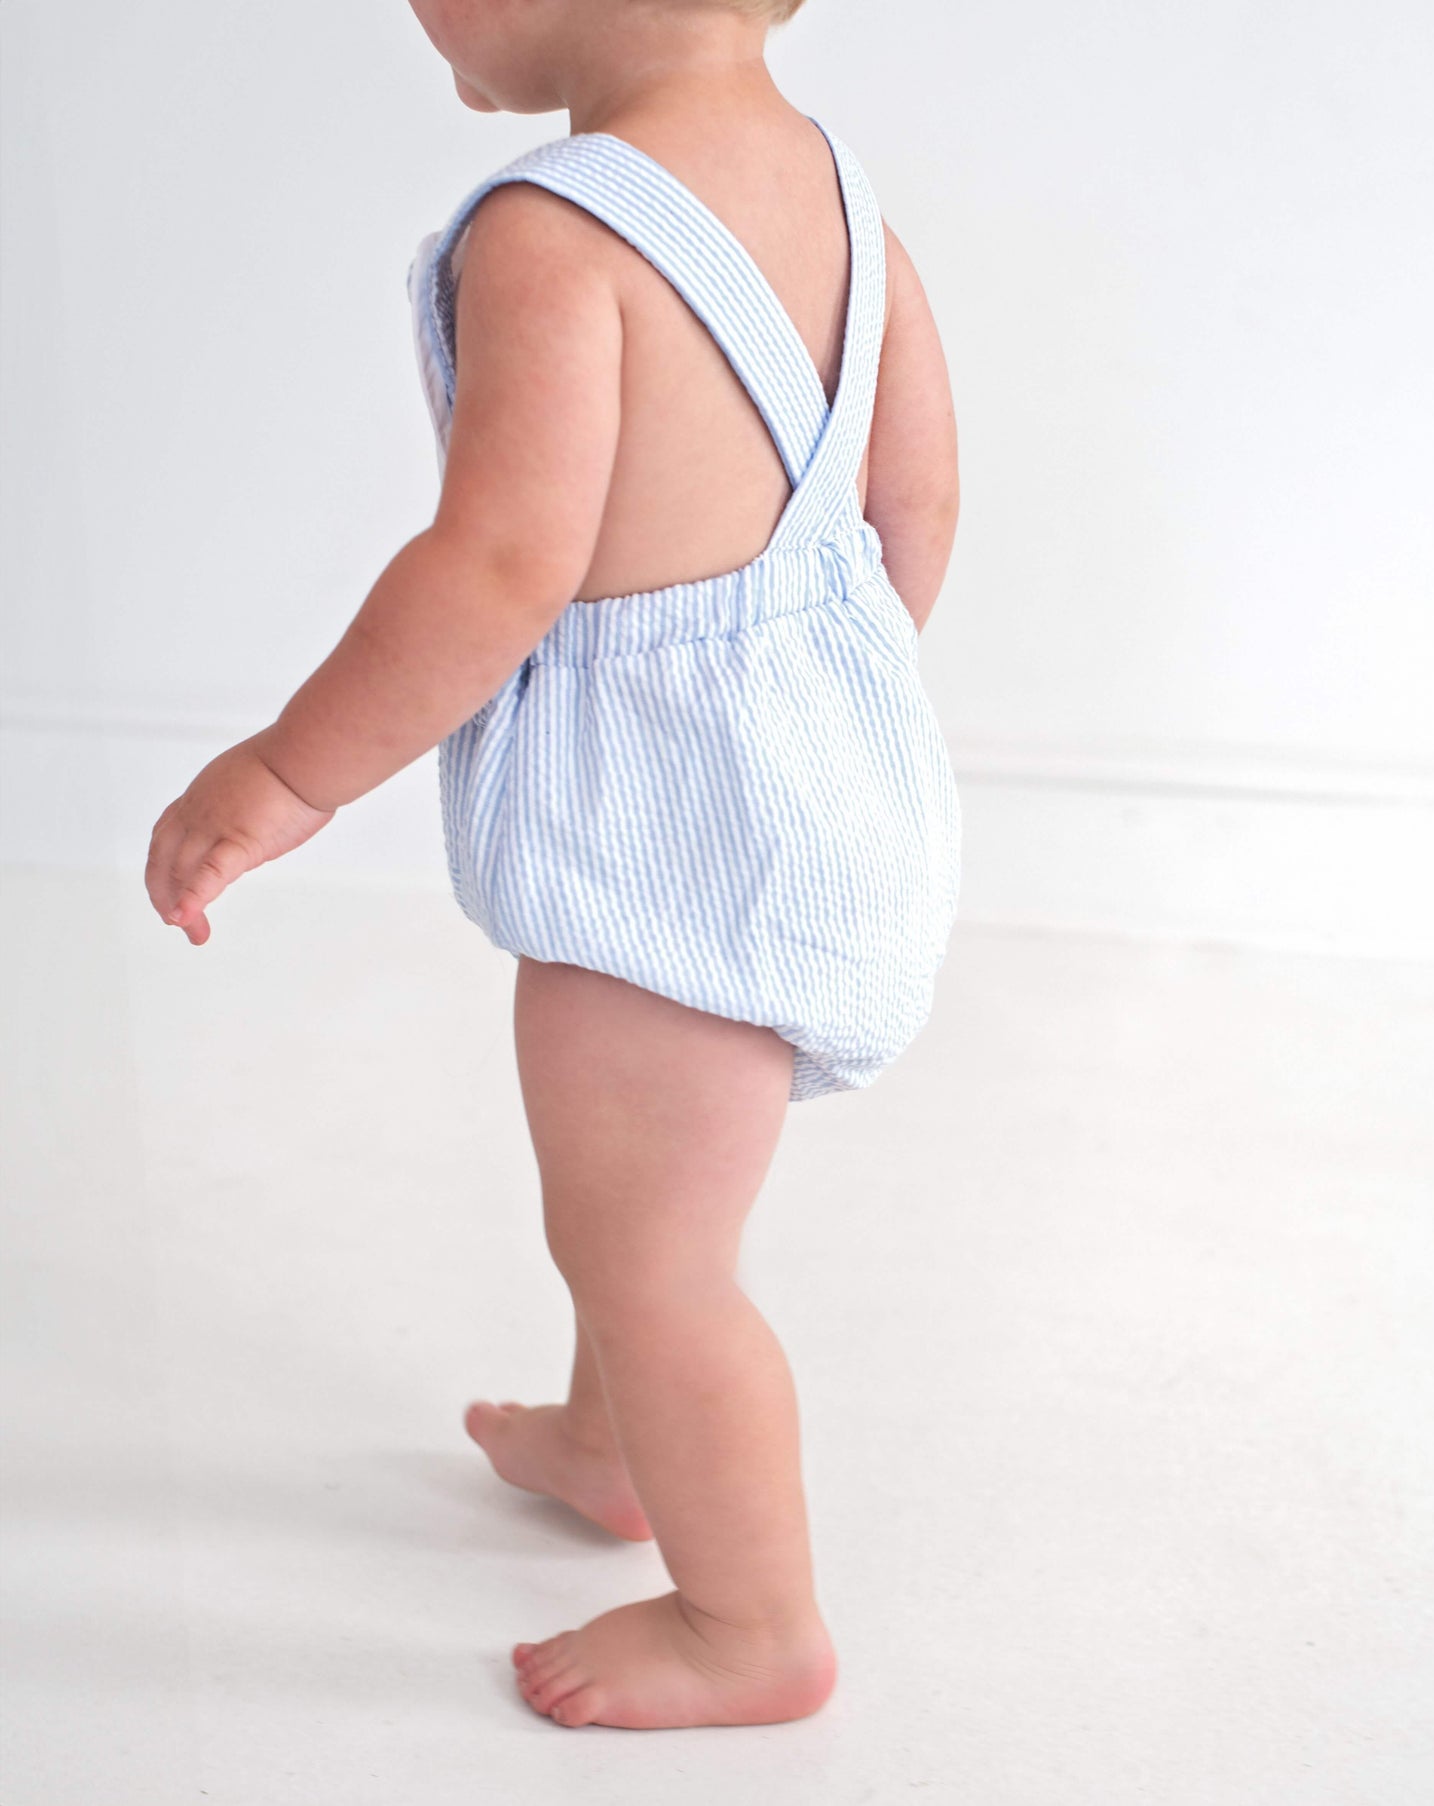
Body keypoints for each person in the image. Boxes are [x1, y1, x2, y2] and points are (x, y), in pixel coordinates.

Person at [144, 0, 962, 1732]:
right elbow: (917, 505)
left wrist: (291, 772)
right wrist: (809, 717)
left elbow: (504, 561)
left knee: (657, 1255)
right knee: (633, 1204)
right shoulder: (842, 199)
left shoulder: (555, 227)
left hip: (659, 831)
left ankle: (756, 1624)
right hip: (815, 792)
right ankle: (608, 1448)